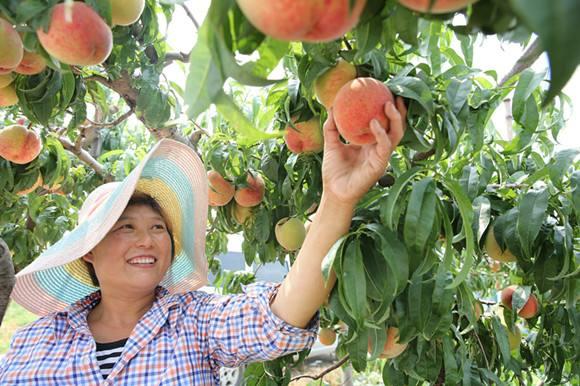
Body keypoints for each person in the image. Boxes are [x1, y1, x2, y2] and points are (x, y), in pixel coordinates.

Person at [0, 99, 406, 385]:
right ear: (87, 249)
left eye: (158, 228)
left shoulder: (196, 321)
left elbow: (282, 313)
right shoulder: (36, 341)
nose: (148, 240)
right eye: (125, 227)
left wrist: (338, 198)